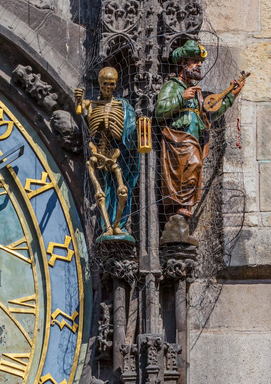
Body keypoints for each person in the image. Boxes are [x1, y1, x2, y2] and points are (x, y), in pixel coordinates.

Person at [155, 40, 246, 219]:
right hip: (178, 141)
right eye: (195, 61)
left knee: (194, 169)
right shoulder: (173, 86)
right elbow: (159, 112)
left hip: (193, 140)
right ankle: (176, 206)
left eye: (200, 62)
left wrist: (231, 96)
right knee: (191, 166)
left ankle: (184, 204)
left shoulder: (195, 92)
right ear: (183, 63)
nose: (199, 65)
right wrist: (181, 98)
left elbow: (210, 114)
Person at [75, 67, 138, 238]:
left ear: (116, 85)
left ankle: (117, 224)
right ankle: (107, 227)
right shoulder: (91, 104)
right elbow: (80, 111)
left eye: (111, 84)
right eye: (104, 84)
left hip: (116, 153)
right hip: (97, 152)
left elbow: (131, 129)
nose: (107, 88)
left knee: (122, 188)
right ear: (99, 84)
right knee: (100, 191)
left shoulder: (123, 106)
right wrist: (79, 101)